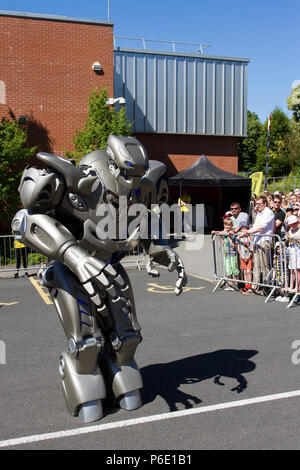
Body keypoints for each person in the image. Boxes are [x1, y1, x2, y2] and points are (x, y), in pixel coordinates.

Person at [239, 195, 275, 294]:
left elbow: (260, 228)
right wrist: (246, 233)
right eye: (256, 204)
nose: (257, 206)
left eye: (259, 204)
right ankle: (255, 287)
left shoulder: (268, 213)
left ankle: (266, 286)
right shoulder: (259, 213)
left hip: (264, 241)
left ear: (265, 204)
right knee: (256, 266)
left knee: (264, 265)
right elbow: (254, 227)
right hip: (256, 241)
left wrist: (246, 233)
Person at [212, 217, 239, 290]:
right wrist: (216, 232)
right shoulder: (224, 233)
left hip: (232, 254)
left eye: (229, 225)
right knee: (228, 270)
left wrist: (229, 238)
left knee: (234, 270)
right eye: (226, 225)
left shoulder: (232, 233)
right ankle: (231, 284)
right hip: (226, 254)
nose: (227, 227)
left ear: (231, 225)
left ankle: (236, 284)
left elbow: (234, 246)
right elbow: (221, 233)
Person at [286, 215, 300, 295]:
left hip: (297, 252)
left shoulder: (299, 231)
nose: (293, 225)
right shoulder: (289, 231)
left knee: (297, 270)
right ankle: (291, 286)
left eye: (294, 223)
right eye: (291, 224)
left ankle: (297, 287)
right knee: (292, 269)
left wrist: (296, 240)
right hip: (292, 252)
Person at [237, 224, 253, 293]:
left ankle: (250, 286)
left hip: (249, 255)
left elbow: (252, 247)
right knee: (244, 271)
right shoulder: (239, 237)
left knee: (249, 271)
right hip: (243, 256)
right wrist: (241, 255)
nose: (244, 230)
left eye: (245, 228)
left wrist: (250, 255)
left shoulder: (249, 237)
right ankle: (246, 285)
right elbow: (238, 248)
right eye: (242, 228)